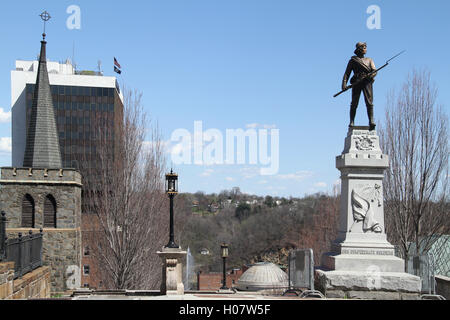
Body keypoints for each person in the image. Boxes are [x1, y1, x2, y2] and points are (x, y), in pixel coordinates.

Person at [342, 42, 377, 130]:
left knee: (369, 102)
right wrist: (344, 84)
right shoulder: (353, 60)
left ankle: (371, 121)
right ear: (359, 49)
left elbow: (374, 71)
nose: (365, 49)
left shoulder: (369, 60)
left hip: (367, 82)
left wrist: (370, 75)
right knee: (354, 103)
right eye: (363, 47)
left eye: (365, 47)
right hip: (357, 82)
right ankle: (352, 121)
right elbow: (347, 73)